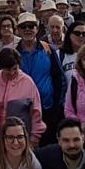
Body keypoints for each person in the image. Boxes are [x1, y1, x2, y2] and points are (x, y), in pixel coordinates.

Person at [16, 13, 65, 142]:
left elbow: (59, 78)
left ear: (37, 29)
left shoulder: (49, 50)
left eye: (31, 26)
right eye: (24, 26)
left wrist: (56, 106)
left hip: (47, 110)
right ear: (19, 29)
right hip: (22, 112)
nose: (28, 29)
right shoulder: (14, 53)